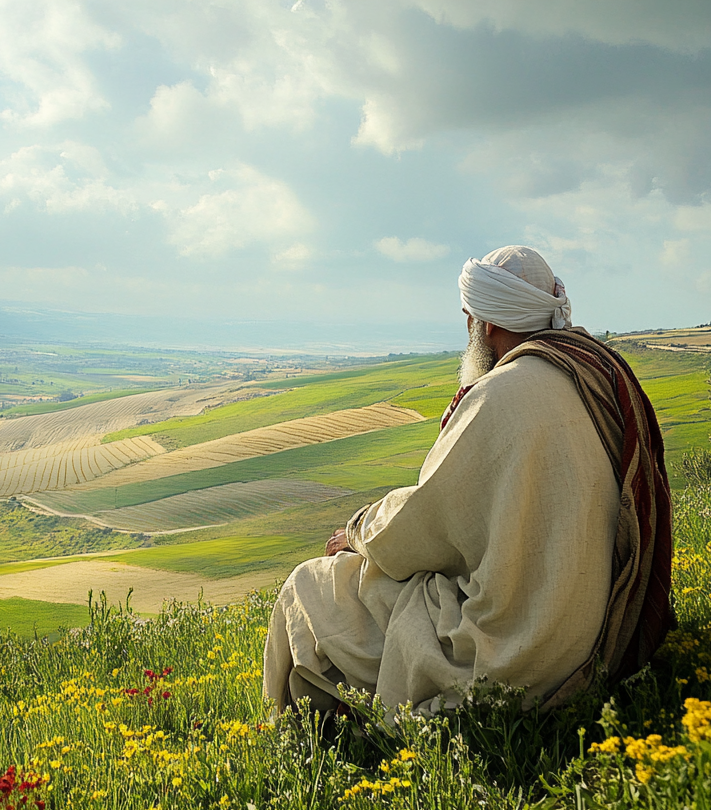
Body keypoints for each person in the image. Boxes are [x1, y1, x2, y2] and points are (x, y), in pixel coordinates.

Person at [262, 245, 673, 717]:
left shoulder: (498, 394)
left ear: (488, 324)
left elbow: (418, 528)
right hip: (598, 635)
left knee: (310, 586)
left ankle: (307, 737)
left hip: (512, 655)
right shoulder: (598, 371)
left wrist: (356, 532)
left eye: (468, 317)